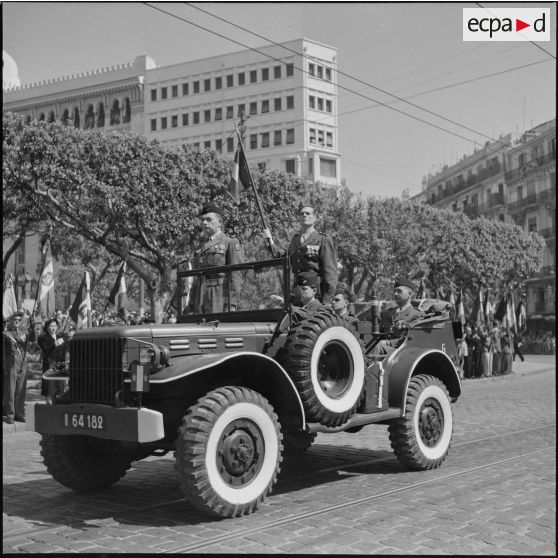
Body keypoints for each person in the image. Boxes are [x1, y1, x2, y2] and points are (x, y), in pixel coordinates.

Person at [264, 205, 338, 304]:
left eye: (308, 213)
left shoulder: (323, 239)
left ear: (315, 218)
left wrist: (327, 301)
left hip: (314, 294)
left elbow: (330, 273)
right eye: (301, 214)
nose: (304, 215)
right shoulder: (295, 239)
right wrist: (270, 242)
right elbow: (285, 257)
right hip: (297, 292)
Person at [189, 203, 243, 313]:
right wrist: (191, 303)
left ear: (220, 222)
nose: (204, 223)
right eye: (202, 220)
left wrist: (231, 303)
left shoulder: (230, 242)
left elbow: (235, 275)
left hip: (219, 298)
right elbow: (196, 278)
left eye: (209, 219)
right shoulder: (200, 247)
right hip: (200, 298)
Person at [2, 311, 28, 423]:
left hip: (23, 362)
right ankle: (10, 414)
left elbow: (33, 338)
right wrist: (4, 366)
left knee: (21, 389)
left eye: (19, 320)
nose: (17, 322)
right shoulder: (5, 334)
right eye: (15, 320)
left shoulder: (23, 333)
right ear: (10, 321)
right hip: (11, 362)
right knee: (10, 389)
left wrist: (31, 323)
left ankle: (19, 413)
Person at [38, 318, 67, 404]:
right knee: (49, 389)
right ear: (47, 327)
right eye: (51, 326)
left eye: (55, 326)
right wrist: (54, 344)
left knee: (60, 389)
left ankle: (57, 406)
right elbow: (46, 350)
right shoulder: (42, 338)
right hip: (49, 365)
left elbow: (64, 352)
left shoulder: (60, 337)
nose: (53, 328)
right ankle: (49, 406)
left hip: (60, 366)